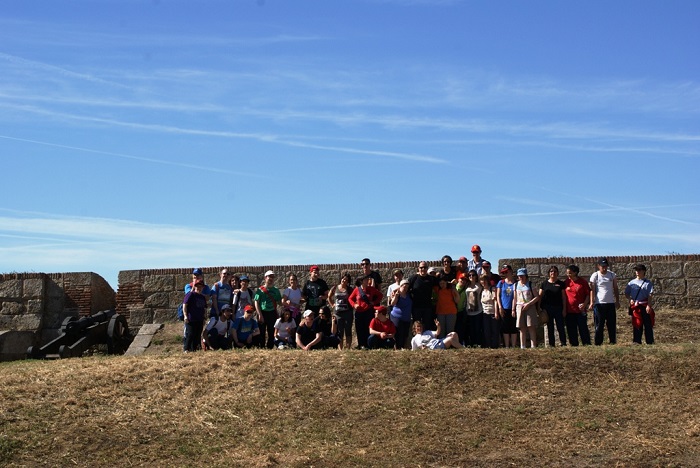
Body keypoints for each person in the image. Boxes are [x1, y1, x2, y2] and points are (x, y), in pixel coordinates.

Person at [589, 258, 620, 345]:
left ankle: (612, 341)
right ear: (598, 266)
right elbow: (592, 289)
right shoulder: (595, 275)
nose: (604, 268)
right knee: (599, 324)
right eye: (602, 266)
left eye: (606, 266)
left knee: (611, 324)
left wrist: (617, 301)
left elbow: (615, 288)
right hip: (599, 303)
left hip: (610, 303)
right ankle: (598, 342)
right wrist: (592, 302)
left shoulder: (612, 275)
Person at [348, 275, 383, 349]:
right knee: (359, 328)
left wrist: (374, 302)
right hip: (359, 312)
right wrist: (354, 305)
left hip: (368, 312)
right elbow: (350, 299)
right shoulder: (357, 290)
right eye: (366, 280)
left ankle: (368, 344)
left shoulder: (371, 289)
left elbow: (380, 295)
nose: (368, 281)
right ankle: (361, 344)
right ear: (362, 281)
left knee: (368, 328)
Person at [624, 264, 655, 345]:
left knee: (647, 324)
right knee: (637, 323)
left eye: (639, 270)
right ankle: (637, 341)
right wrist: (630, 299)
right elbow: (626, 293)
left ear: (643, 271)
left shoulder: (648, 283)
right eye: (636, 270)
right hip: (636, 306)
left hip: (644, 305)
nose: (637, 272)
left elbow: (650, 295)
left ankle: (650, 341)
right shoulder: (631, 283)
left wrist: (649, 305)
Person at [538, 265, 567, 347]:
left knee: (560, 326)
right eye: (551, 271)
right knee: (550, 327)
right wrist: (538, 308)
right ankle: (551, 344)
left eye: (555, 271)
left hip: (558, 308)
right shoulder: (544, 284)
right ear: (549, 273)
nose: (553, 273)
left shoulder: (561, 284)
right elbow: (540, 296)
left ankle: (563, 343)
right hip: (547, 308)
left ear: (557, 273)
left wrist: (564, 309)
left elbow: (564, 297)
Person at [564, 264, 591, 346]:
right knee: (571, 329)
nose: (568, 275)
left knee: (583, 328)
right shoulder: (566, 282)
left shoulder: (583, 282)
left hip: (580, 311)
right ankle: (574, 345)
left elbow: (588, 294)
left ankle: (586, 344)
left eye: (570, 273)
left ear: (575, 273)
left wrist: (585, 304)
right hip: (569, 311)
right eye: (567, 273)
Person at [254, 270, 282, 349]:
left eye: (272, 277)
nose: (271, 278)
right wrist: (259, 314)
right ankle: (262, 347)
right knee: (262, 332)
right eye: (269, 276)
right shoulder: (260, 290)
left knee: (271, 331)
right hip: (262, 312)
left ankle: (270, 347)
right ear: (265, 278)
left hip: (272, 313)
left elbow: (279, 302)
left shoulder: (276, 290)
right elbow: (256, 302)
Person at [408, 261, 439, 331]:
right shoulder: (414, 278)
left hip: (427, 307)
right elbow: (405, 287)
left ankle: (427, 341)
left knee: (427, 326)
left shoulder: (431, 279)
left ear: (427, 269)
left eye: (425, 267)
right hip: (416, 307)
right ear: (418, 268)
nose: (423, 269)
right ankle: (416, 341)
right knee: (416, 327)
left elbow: (441, 283)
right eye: (421, 267)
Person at [515, 268, 539, 348]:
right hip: (519, 307)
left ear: (526, 276)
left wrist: (529, 304)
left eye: (522, 276)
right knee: (522, 328)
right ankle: (523, 346)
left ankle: (533, 346)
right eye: (519, 276)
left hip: (530, 307)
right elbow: (515, 298)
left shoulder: (531, 284)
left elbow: (537, 297)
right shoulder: (516, 285)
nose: (521, 277)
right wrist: (513, 309)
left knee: (531, 326)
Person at [328, 273, 354, 349]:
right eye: (343, 279)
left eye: (346, 280)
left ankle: (348, 348)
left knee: (348, 330)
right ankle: (340, 349)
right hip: (338, 313)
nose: (344, 280)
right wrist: (332, 304)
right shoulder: (335, 288)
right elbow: (329, 297)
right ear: (341, 279)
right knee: (340, 331)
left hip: (348, 312)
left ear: (348, 281)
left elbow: (353, 298)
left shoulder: (350, 289)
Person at [182, 280, 207, 352]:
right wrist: (185, 316)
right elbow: (185, 305)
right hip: (191, 318)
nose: (199, 288)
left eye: (200, 286)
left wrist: (204, 318)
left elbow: (204, 308)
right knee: (190, 334)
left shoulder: (202, 297)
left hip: (199, 319)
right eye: (197, 286)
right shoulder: (190, 295)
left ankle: (194, 349)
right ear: (194, 286)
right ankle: (186, 349)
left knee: (198, 334)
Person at [497, 265, 518, 348]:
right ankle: (506, 346)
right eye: (503, 272)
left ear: (511, 271)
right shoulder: (501, 283)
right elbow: (498, 296)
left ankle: (513, 346)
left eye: (506, 272)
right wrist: (500, 307)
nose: (505, 274)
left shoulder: (516, 283)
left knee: (513, 327)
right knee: (505, 328)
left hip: (513, 308)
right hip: (504, 308)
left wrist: (513, 308)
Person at [389, 279, 413, 349]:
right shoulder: (397, 294)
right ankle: (398, 347)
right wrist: (395, 297)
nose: (405, 288)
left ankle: (403, 347)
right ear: (400, 286)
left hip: (407, 318)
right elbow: (392, 303)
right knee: (399, 334)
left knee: (405, 334)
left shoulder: (409, 294)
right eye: (404, 287)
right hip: (397, 317)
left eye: (407, 287)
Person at [480, 274, 501, 348]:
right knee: (486, 331)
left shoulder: (492, 289)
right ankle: (488, 346)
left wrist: (496, 312)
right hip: (485, 313)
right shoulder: (482, 290)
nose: (483, 282)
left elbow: (495, 301)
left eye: (485, 280)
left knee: (494, 330)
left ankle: (495, 346)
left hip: (492, 312)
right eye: (482, 280)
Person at [464, 270, 484, 347]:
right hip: (469, 311)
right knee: (471, 329)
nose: (471, 277)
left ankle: (478, 343)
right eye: (470, 275)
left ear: (476, 276)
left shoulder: (479, 286)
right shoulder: (467, 286)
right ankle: (472, 343)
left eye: (473, 275)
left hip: (478, 310)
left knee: (478, 328)